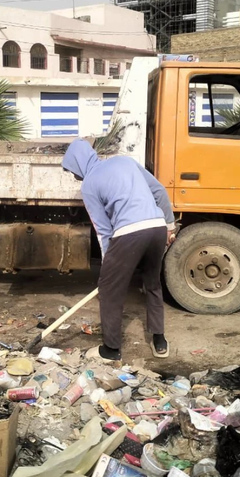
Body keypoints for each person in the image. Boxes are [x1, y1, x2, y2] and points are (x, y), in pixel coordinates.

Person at [61, 139, 176, 361]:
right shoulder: (125, 162)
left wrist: (108, 267)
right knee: (152, 283)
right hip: (157, 227)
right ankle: (159, 341)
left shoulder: (89, 184)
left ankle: (111, 350)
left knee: (110, 290)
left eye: (72, 171)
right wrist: (170, 227)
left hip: (130, 232)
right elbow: (159, 191)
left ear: (78, 163)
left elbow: (103, 230)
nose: (74, 176)